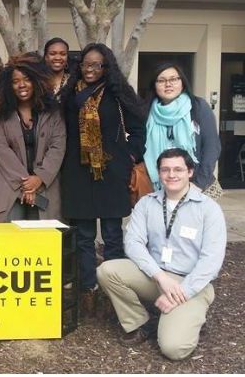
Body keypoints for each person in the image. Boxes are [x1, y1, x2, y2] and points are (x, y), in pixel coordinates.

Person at [97, 148, 226, 360]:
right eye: (165, 170)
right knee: (107, 270)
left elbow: (211, 261)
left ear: (190, 172)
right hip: (156, 276)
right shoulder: (146, 203)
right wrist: (160, 277)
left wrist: (182, 292)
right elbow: (133, 243)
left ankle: (192, 315)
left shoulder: (208, 209)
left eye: (178, 169)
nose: (171, 175)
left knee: (174, 349)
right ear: (158, 173)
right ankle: (140, 322)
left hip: (190, 283)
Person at [60, 43, 146, 317]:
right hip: (77, 173)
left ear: (106, 67)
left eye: (96, 65)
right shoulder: (69, 95)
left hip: (111, 172)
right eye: (86, 64)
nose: (90, 69)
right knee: (84, 238)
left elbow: (138, 128)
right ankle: (88, 290)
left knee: (112, 236)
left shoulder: (118, 93)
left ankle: (113, 293)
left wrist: (129, 155)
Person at [0, 53, 66, 222]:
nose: (21, 85)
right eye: (15, 81)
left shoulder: (53, 112)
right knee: (9, 236)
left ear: (37, 81)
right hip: (9, 186)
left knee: (42, 237)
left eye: (27, 79)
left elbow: (58, 147)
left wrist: (39, 178)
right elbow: (1, 150)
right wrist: (27, 184)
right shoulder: (0, 113)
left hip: (45, 186)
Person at [144, 62, 221, 193]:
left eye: (173, 79)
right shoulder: (146, 111)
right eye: (161, 80)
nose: (168, 84)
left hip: (195, 184)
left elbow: (212, 146)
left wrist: (199, 184)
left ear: (182, 82)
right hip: (157, 186)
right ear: (154, 85)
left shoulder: (198, 106)